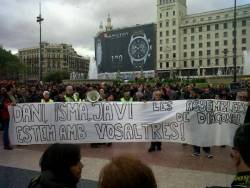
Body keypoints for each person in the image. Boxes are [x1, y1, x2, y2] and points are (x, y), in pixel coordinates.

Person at [0, 84, 16, 150]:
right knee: (6, 130)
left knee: (7, 129)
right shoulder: (5, 96)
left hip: (10, 114)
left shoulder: (11, 95)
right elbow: (5, 105)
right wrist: (11, 104)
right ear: (11, 88)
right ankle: (6, 145)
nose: (15, 88)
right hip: (6, 115)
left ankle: (8, 143)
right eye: (14, 87)